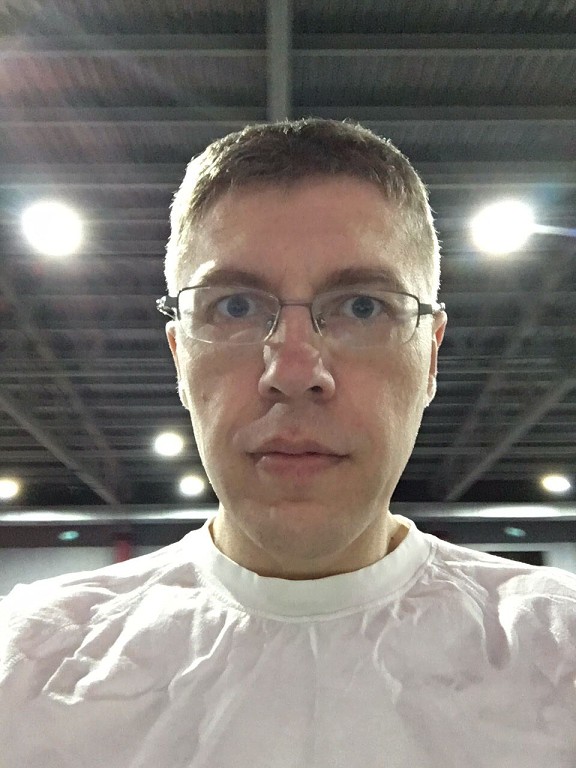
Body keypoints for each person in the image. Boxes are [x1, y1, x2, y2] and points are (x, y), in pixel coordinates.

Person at [1, 119, 575, 767]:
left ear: (431, 358)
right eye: (234, 307)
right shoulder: (25, 668)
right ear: (179, 357)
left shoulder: (559, 655)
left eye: (363, 306)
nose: (295, 372)